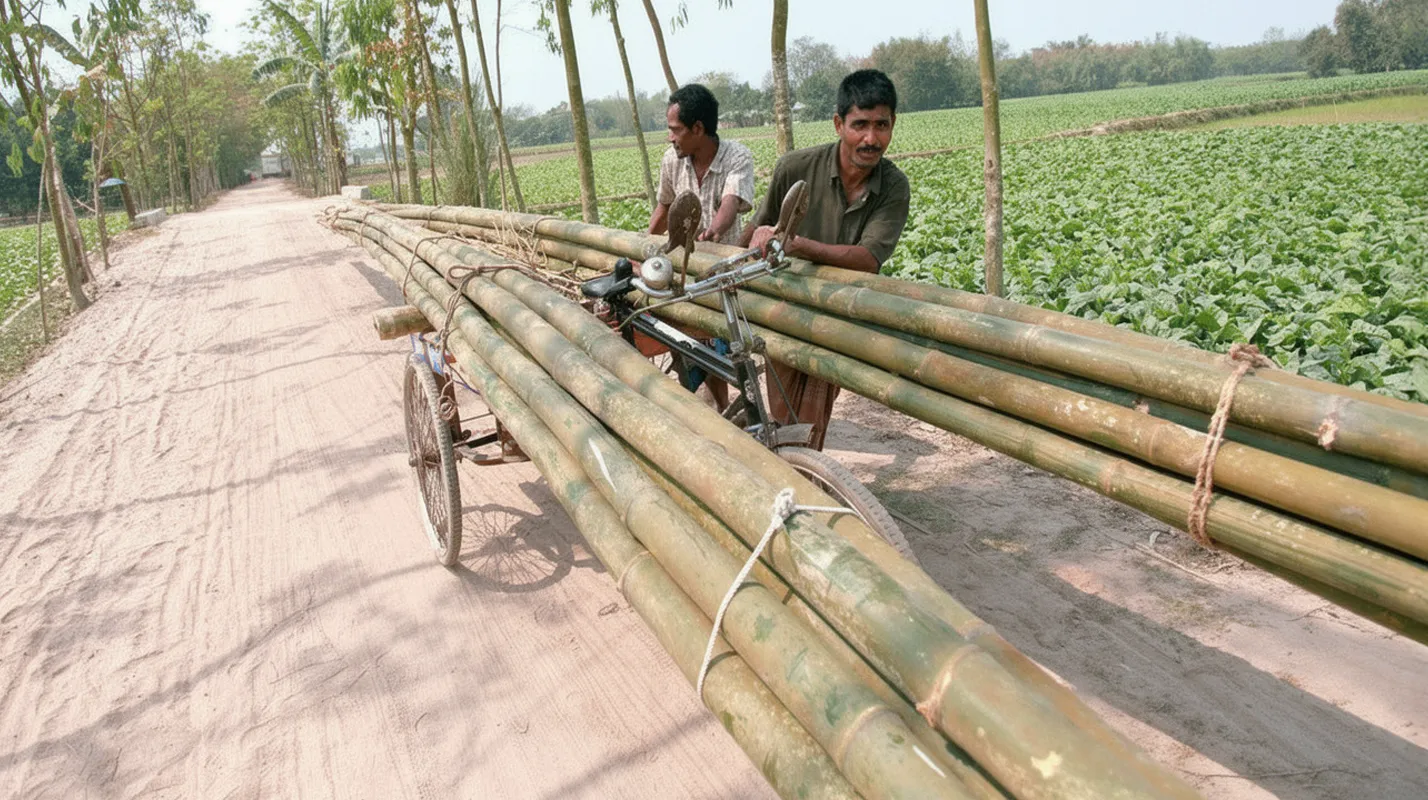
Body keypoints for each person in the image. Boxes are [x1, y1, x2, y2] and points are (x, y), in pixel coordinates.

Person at [741, 69, 910, 451]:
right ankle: (796, 471)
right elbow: (756, 229)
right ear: (838, 124)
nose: (871, 138)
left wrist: (799, 245)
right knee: (784, 412)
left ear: (893, 124)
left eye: (881, 125)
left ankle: (801, 473)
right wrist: (752, 243)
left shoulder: (894, 186)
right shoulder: (795, 168)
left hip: (838, 312)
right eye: (859, 125)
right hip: (782, 305)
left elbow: (867, 258)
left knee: (813, 416)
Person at [648, 84, 756, 245]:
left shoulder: (737, 156)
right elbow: (665, 208)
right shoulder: (671, 159)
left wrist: (713, 231)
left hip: (723, 259)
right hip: (683, 258)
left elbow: (730, 201)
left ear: (698, 128)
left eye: (676, 130)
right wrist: (644, 246)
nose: (670, 138)